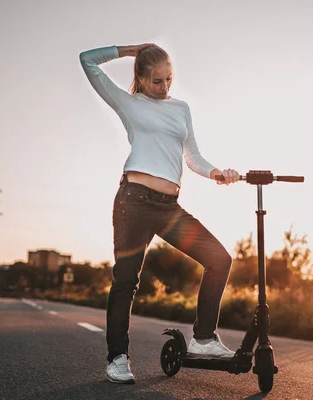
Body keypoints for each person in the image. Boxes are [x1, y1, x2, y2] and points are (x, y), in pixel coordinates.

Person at [79, 42, 240, 384]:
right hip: (133, 202)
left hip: (169, 208)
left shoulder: (181, 108)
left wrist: (216, 173)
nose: (164, 87)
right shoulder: (127, 102)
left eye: (168, 79)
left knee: (219, 259)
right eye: (156, 81)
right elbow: (87, 61)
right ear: (140, 77)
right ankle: (118, 358)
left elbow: (192, 157)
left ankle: (204, 339)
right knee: (126, 280)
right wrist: (129, 49)